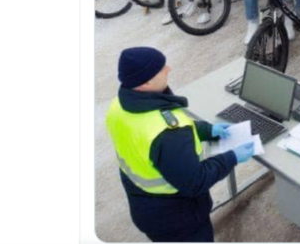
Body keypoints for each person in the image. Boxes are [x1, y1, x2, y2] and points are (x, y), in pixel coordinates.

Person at [105, 47, 253, 242]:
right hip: (179, 221)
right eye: (161, 68)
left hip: (144, 205)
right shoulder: (169, 133)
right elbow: (196, 181)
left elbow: (152, 134)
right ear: (147, 81)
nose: (168, 68)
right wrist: (232, 157)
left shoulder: (119, 106)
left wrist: (206, 131)